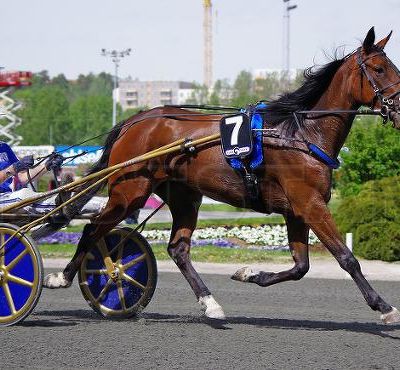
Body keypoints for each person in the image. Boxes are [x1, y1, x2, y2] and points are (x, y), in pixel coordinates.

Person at [0, 141, 106, 216]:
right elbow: (13, 170)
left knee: (34, 196)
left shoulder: (3, 146)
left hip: (8, 197)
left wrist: (46, 166)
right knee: (23, 196)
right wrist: (13, 168)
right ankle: (61, 204)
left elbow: (22, 177)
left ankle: (103, 204)